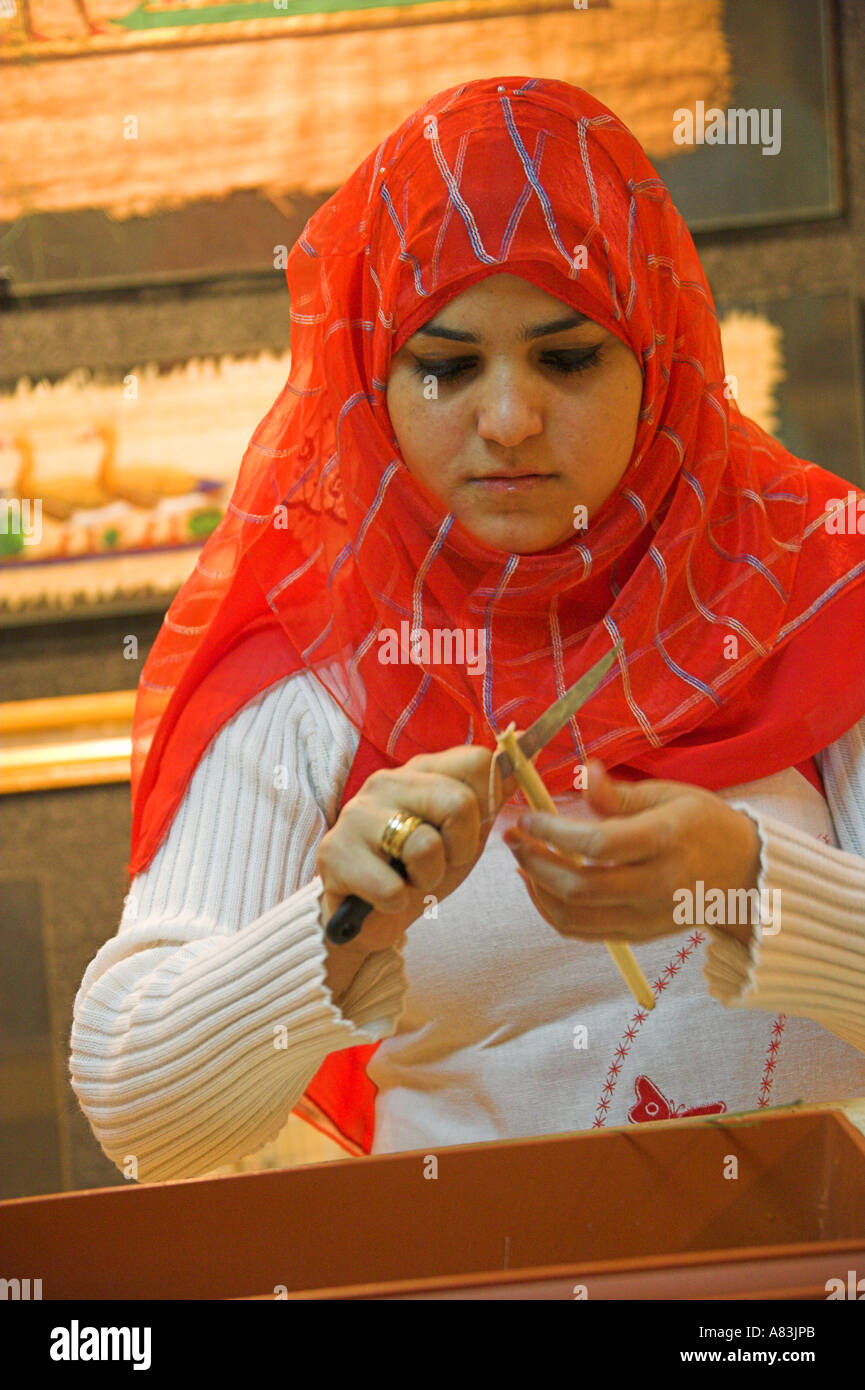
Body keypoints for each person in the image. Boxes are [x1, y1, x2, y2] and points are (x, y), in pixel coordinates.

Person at [70, 77, 865, 1183]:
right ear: (367, 383)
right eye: (444, 365)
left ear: (663, 350)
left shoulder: (818, 582)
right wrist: (339, 927)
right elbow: (141, 1114)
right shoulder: (317, 646)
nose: (507, 420)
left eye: (568, 356)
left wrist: (742, 877)